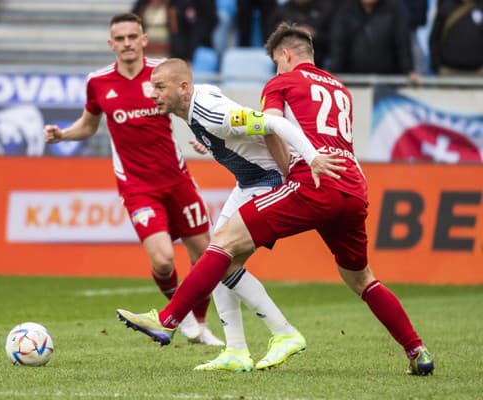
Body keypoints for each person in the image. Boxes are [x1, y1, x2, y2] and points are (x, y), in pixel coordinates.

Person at [116, 22, 435, 376]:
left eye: (275, 62)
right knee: (362, 279)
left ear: (285, 55)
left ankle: (170, 319)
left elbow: (273, 126)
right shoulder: (340, 89)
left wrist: (310, 159)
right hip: (353, 185)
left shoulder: (282, 82)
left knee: (221, 244)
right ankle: (417, 350)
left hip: (313, 181)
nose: (275, 69)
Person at [141, 58, 346, 371]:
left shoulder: (212, 114)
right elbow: (215, 97)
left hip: (267, 181)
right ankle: (236, 351)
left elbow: (274, 124)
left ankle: (284, 333)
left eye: (159, 87)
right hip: (248, 182)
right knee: (219, 262)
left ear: (183, 88)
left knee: (220, 256)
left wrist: (313, 158)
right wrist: (211, 138)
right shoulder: (200, 103)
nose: (153, 94)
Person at [44, 13, 223, 346]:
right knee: (163, 259)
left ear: (144, 39)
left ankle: (199, 325)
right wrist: (63, 134)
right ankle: (179, 317)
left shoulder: (162, 74)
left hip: (178, 180)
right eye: (120, 38)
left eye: (132, 37)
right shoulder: (98, 82)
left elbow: (190, 108)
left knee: (204, 257)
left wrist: (204, 137)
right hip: (138, 188)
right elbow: (89, 125)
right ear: (111, 44)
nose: (126, 43)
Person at [328, 0, 419, 81]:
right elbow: (338, 46)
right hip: (353, 82)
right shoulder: (345, 9)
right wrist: (332, 71)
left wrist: (408, 70)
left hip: (389, 82)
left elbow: (402, 42)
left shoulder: (395, 8)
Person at [429, 0, 483, 76]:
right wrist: (437, 66)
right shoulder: (446, 6)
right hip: (448, 71)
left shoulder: (480, 6)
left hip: (478, 71)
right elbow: (435, 38)